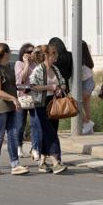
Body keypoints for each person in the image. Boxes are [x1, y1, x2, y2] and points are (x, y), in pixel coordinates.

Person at [0, 43, 30, 175]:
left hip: (11, 106)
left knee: (12, 134)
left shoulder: (7, 66)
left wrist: (25, 88)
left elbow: (13, 84)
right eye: (9, 52)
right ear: (5, 54)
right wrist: (13, 99)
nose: (11, 53)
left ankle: (15, 164)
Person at [29, 44, 67, 174]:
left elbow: (62, 82)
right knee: (49, 132)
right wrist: (49, 87)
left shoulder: (55, 69)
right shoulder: (39, 70)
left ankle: (42, 162)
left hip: (54, 103)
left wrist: (60, 89)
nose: (56, 56)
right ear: (47, 55)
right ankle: (56, 162)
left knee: (51, 130)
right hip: (41, 104)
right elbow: (33, 86)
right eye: (54, 53)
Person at [15, 42, 40, 160]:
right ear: (24, 53)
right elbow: (22, 80)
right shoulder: (19, 64)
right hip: (23, 97)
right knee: (20, 125)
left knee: (35, 124)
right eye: (29, 52)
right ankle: (19, 146)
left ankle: (35, 148)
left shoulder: (36, 64)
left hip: (35, 97)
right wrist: (26, 64)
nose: (32, 54)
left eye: (33, 51)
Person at [48, 37, 73, 133]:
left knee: (50, 111)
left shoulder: (53, 59)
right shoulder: (70, 55)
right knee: (57, 112)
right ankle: (54, 132)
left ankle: (51, 134)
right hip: (64, 86)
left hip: (52, 87)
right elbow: (70, 73)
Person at [81, 41, 95, 135]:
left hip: (85, 84)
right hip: (89, 82)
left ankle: (87, 123)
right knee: (86, 106)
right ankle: (89, 129)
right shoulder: (87, 59)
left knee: (75, 104)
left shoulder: (80, 61)